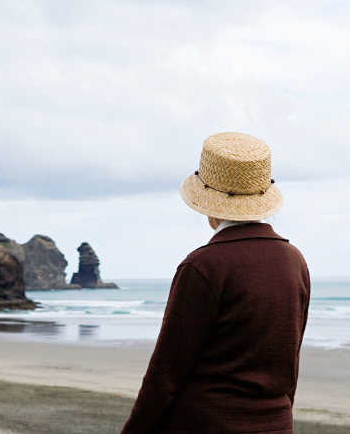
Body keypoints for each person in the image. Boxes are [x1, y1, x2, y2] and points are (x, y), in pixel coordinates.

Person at [120, 132, 310, 434]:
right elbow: (290, 362)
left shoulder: (203, 265)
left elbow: (167, 373)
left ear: (207, 204)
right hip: (275, 424)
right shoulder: (294, 260)